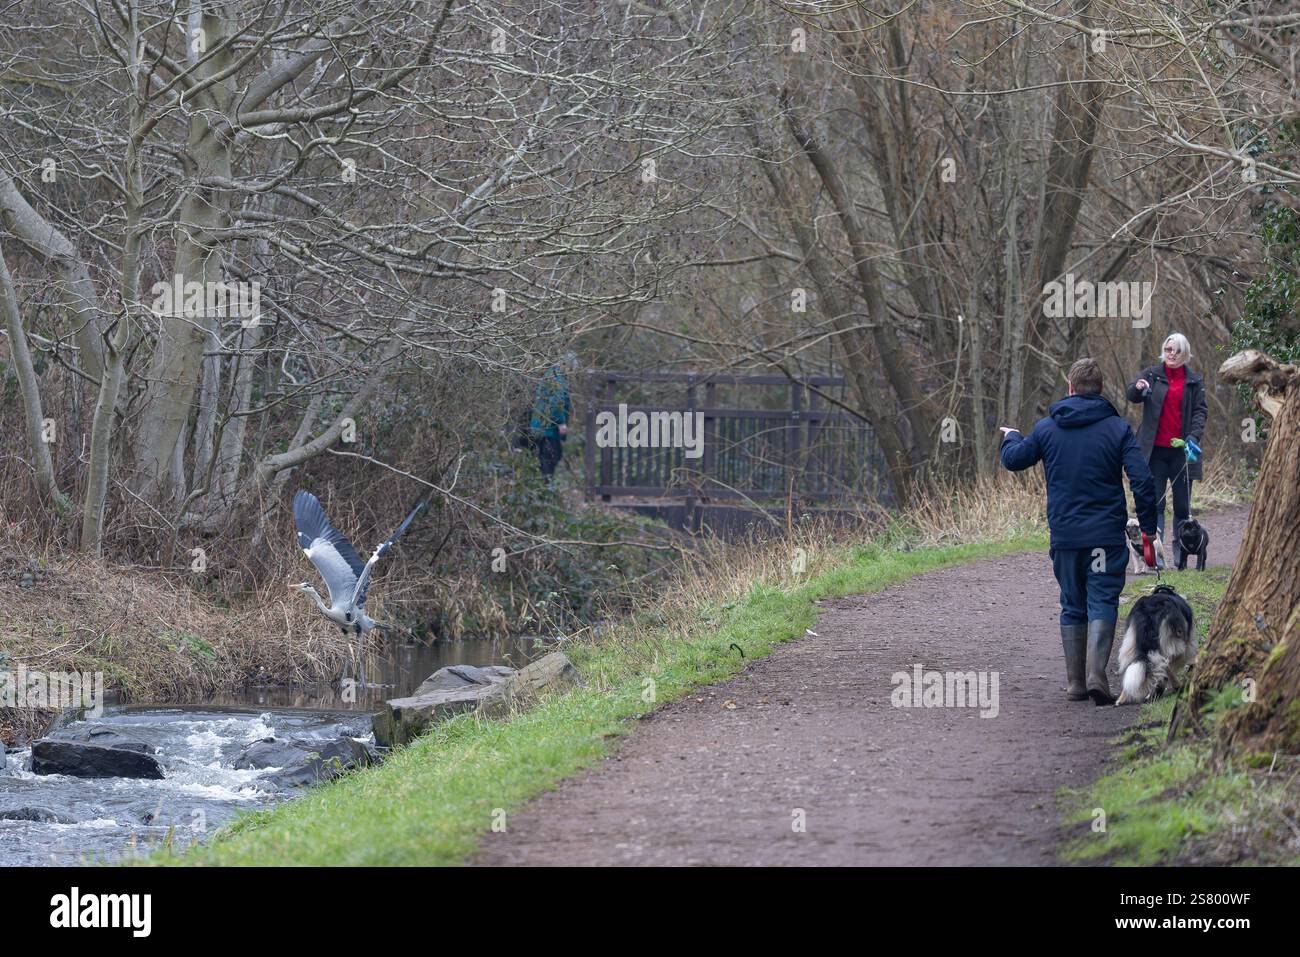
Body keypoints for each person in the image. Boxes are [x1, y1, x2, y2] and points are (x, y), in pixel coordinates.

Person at [999, 357, 1158, 706]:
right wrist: (1148, 528)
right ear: (1099, 390)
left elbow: (1015, 460)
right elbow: (1143, 481)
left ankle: (1075, 683)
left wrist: (1010, 438)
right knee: (1102, 599)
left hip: (1066, 536)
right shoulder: (1117, 429)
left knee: (1072, 603)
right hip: (1104, 537)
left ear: (1070, 388)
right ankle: (1096, 675)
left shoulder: (1046, 428)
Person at [1125, 333, 1208, 569]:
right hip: (1154, 453)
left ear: (1185, 354)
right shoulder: (1151, 374)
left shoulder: (1194, 381)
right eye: (1168, 349)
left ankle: (1180, 556)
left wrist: (1193, 436)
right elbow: (1132, 394)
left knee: (1182, 507)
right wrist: (1138, 387)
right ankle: (1156, 557)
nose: (1171, 354)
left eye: (1177, 351)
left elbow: (1201, 412)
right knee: (1155, 505)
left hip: (1182, 453)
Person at [529, 360, 572, 482]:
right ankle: (545, 488)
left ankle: (542, 488)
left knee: (544, 458)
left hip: (540, 426)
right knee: (551, 458)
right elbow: (556, 402)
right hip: (548, 428)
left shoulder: (551, 375)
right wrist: (561, 422)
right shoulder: (557, 378)